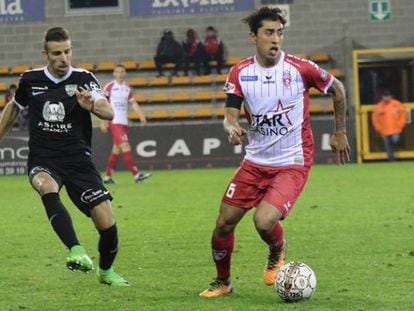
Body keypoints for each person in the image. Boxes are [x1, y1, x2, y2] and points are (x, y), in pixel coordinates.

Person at [199, 7, 350, 298]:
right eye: (269, 32)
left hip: (292, 161)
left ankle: (277, 248)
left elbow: (338, 88)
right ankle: (223, 282)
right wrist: (231, 128)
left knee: (263, 220)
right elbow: (229, 114)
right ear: (253, 37)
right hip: (255, 161)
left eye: (279, 33)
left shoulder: (299, 68)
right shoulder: (240, 72)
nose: (276, 39)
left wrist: (340, 131)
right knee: (223, 223)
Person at [0, 27, 129, 286]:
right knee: (46, 186)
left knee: (106, 222)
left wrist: (91, 105)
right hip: (43, 156)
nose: (64, 58)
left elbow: (108, 111)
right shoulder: (30, 80)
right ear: (45, 54)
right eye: (57, 53)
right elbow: (14, 109)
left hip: (78, 159)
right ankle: (76, 250)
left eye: (67, 52)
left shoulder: (84, 79)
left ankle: (105, 271)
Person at [101, 64, 151, 184]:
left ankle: (107, 177)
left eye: (122, 72)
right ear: (114, 73)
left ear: (124, 73)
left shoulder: (127, 88)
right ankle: (136, 175)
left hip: (123, 123)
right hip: (114, 121)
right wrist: (103, 121)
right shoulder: (109, 87)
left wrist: (141, 116)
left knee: (116, 150)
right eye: (117, 72)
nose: (119, 74)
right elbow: (102, 103)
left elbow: (133, 104)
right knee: (125, 146)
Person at [371, 90, 408, 161]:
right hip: (384, 131)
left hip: (396, 130)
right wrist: (378, 128)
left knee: (395, 140)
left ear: (391, 96)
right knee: (388, 146)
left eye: (387, 96)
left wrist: (400, 125)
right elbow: (375, 118)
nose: (386, 98)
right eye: (385, 96)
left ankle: (397, 150)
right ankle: (391, 160)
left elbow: (403, 115)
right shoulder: (379, 106)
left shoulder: (397, 104)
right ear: (382, 97)